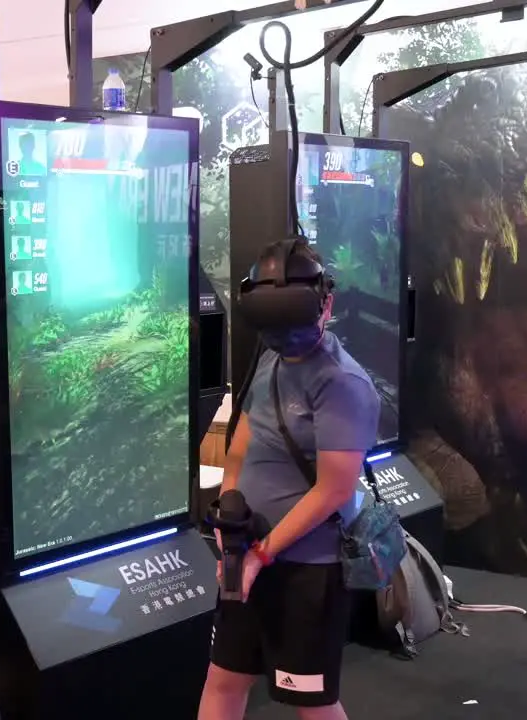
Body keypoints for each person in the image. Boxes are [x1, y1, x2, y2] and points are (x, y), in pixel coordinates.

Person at [199, 241, 380, 720]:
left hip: (308, 569)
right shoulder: (269, 360)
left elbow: (334, 490)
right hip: (249, 556)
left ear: (327, 303)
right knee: (224, 679)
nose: (286, 338)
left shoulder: (344, 384)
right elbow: (240, 444)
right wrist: (230, 526)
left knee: (310, 699)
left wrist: (263, 552)